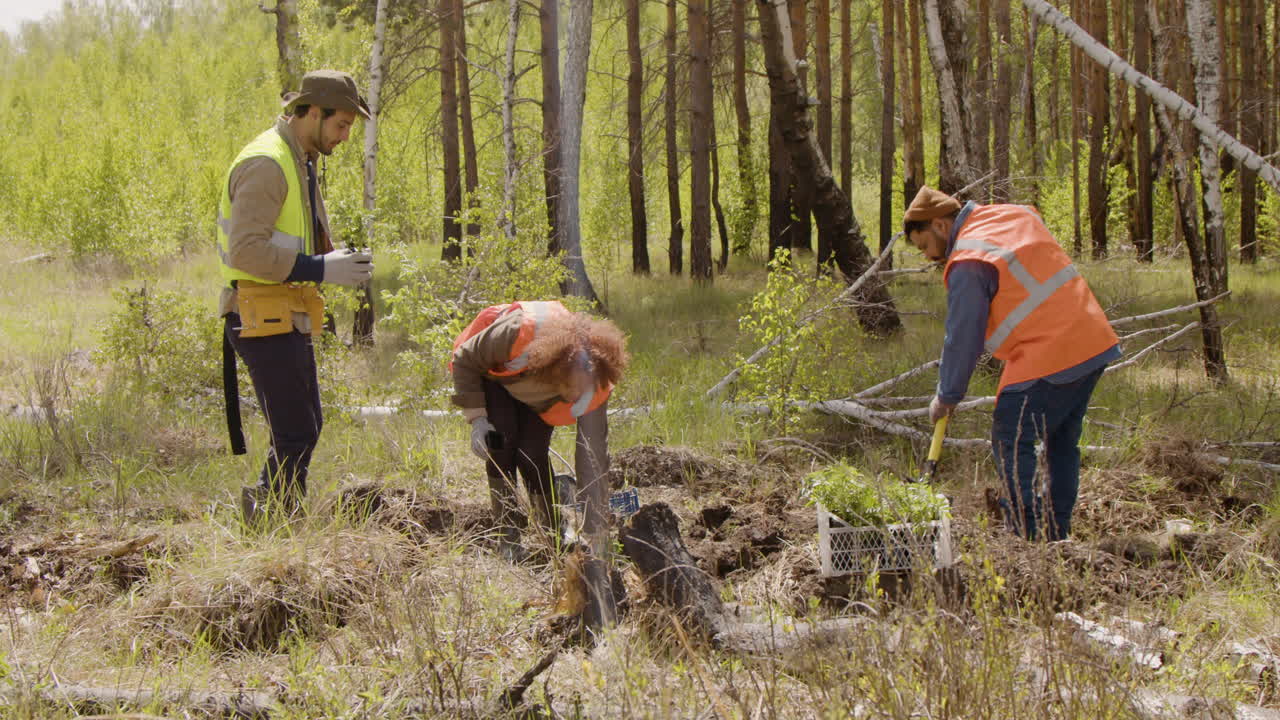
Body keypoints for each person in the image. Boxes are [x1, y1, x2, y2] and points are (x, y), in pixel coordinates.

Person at [903, 186, 1120, 541]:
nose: (928, 256)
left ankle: (1025, 538)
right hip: (1090, 338)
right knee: (1062, 440)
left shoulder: (969, 260)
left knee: (1011, 435)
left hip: (1050, 350)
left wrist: (947, 395)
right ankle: (1055, 535)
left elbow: (963, 336)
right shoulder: (1009, 215)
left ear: (941, 225)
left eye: (924, 245)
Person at [217, 70, 375, 526]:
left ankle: (278, 520)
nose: (345, 136)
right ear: (312, 112)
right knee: (296, 431)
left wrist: (329, 259)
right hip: (259, 313)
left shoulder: (297, 158)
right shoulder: (268, 163)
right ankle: (271, 525)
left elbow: (290, 243)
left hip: (284, 312)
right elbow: (246, 251)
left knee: (305, 428)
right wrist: (322, 268)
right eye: (341, 124)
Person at [450, 301, 629, 562]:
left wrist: (597, 529)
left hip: (535, 392)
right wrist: (477, 420)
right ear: (557, 369)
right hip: (493, 377)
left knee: (532, 453)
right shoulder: (514, 333)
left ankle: (553, 532)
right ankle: (507, 536)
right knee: (501, 445)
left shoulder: (596, 379)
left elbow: (592, 457)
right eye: (573, 389)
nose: (576, 398)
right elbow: (465, 358)